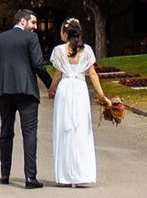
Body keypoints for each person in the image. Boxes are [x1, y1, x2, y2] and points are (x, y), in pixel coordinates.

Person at [0, 7, 52, 187]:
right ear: (22, 21)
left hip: (5, 92)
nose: (35, 27)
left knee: (6, 132)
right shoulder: (31, 38)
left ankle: (4, 175)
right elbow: (38, 65)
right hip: (27, 91)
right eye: (33, 22)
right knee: (29, 132)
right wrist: (51, 86)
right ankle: (30, 177)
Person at [48, 20, 112, 187]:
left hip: (65, 89)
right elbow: (93, 74)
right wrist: (103, 96)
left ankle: (65, 175)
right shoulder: (87, 50)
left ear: (65, 33)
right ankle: (80, 174)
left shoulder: (59, 50)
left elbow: (58, 75)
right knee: (80, 128)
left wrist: (51, 89)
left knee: (64, 129)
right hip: (80, 90)